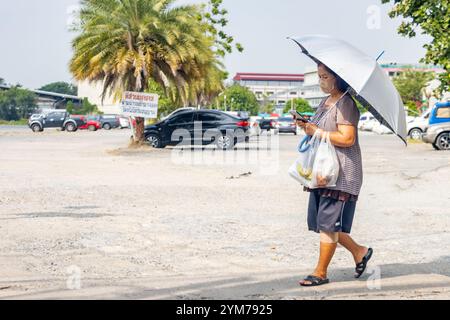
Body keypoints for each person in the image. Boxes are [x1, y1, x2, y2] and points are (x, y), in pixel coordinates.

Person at [296, 62, 373, 287]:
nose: (321, 80)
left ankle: (320, 272)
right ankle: (360, 251)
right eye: (319, 76)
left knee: (328, 224)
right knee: (324, 223)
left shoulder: (346, 104)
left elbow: (347, 138)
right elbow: (321, 131)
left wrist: (317, 131)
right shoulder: (326, 102)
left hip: (340, 173)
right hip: (323, 172)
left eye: (325, 76)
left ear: (338, 78)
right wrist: (306, 126)